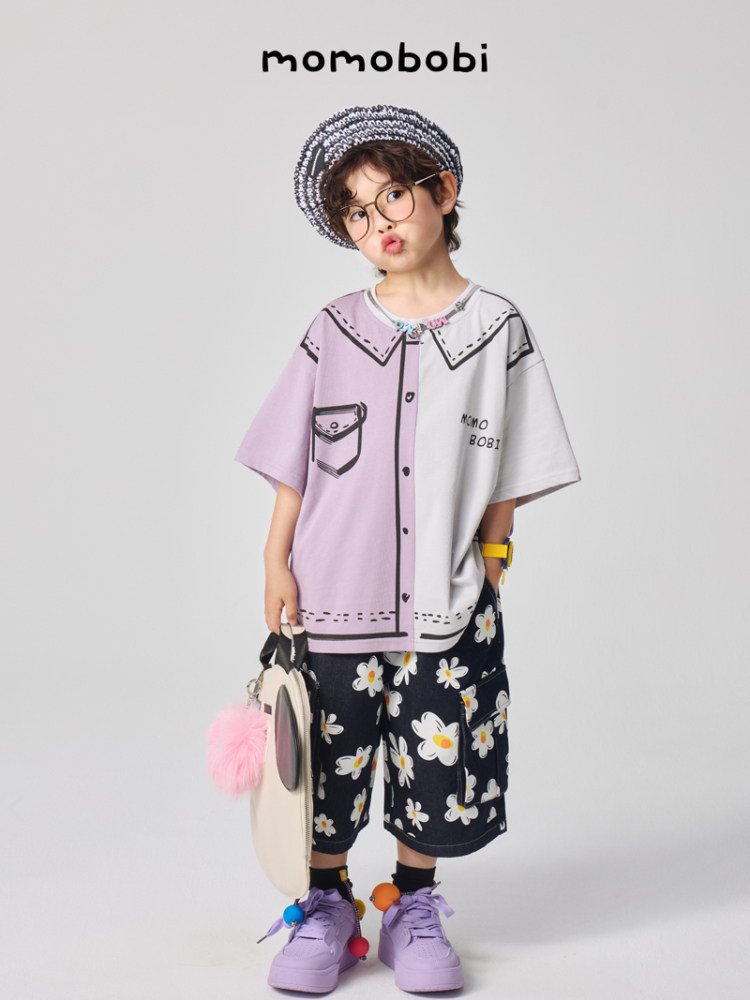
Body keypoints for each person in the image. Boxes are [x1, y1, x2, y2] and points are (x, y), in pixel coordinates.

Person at [235, 105, 580, 994]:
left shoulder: (496, 327)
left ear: (443, 192)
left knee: (438, 754)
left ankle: (413, 905)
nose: (377, 223)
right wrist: (276, 560)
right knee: (325, 757)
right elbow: (294, 458)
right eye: (355, 213)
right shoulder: (333, 327)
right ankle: (325, 905)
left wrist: (495, 560)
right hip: (332, 592)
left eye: (391, 196)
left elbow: (514, 460)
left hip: (447, 596)